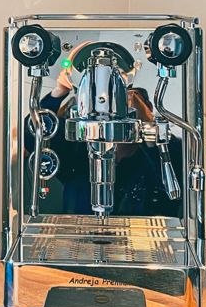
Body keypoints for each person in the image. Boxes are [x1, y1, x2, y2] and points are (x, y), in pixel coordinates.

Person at [24, 55, 184, 218]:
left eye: (123, 105)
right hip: (79, 231)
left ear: (147, 108)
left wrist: (131, 100)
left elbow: (176, 176)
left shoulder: (160, 155)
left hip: (142, 235)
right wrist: (58, 92)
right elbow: (32, 136)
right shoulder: (76, 152)